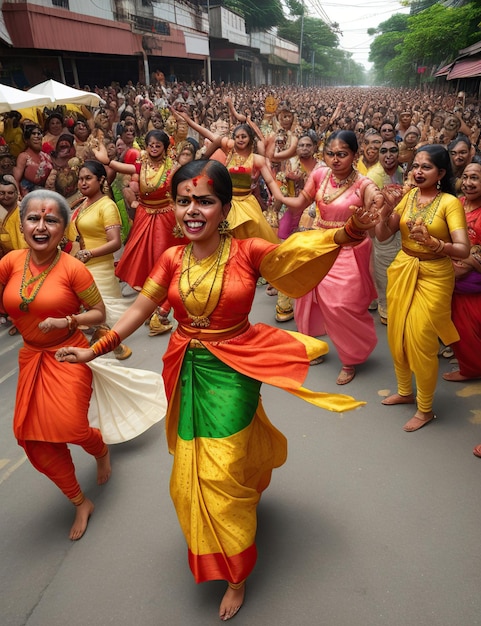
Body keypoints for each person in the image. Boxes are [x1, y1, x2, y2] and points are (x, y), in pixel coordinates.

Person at [55, 159, 379, 621]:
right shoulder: (170, 258)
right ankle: (222, 537)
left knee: (221, 470)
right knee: (186, 480)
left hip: (235, 369)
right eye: (183, 200)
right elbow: (140, 309)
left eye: (204, 201)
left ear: (225, 207)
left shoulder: (248, 251)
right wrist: (95, 350)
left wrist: (346, 234)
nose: (191, 210)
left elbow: (296, 255)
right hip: (185, 367)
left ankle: (237, 572)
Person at [0, 189, 110, 541]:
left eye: (51, 220)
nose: (41, 226)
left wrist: (67, 322)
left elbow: (99, 314)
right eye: (34, 218)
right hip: (31, 356)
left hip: (69, 353)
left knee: (74, 428)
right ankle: (79, 500)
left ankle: (101, 450)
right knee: (31, 437)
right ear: (23, 223)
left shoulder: (74, 269)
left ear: (64, 229)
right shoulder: (10, 263)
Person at [277, 130, 384, 385]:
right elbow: (300, 203)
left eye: (342, 154)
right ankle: (311, 346)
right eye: (331, 154)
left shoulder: (364, 184)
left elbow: (375, 206)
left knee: (341, 304)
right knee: (305, 297)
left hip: (349, 247)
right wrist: (275, 187)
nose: (335, 160)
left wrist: (380, 203)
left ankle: (350, 358)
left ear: (354, 155)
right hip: (319, 242)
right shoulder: (319, 174)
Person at [376, 145, 470, 431]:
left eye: (426, 167)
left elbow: (464, 249)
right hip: (404, 268)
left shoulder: (449, 203)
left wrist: (435, 244)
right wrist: (385, 210)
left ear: (441, 173)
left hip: (435, 275)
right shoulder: (409, 196)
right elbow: (382, 236)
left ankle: (426, 408)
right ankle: (405, 391)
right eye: (415, 166)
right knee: (397, 333)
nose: (417, 172)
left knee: (422, 340)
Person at [94, 129, 187, 335]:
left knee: (167, 263)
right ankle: (155, 309)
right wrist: (105, 159)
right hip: (146, 217)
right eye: (150, 145)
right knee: (146, 263)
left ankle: (161, 310)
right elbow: (116, 165)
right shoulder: (140, 164)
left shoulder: (174, 167)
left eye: (158, 145)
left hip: (167, 218)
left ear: (165, 148)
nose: (153, 148)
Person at [69, 160, 133, 360]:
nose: (83, 183)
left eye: (88, 178)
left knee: (104, 315)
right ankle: (102, 351)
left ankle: (111, 350)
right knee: (96, 316)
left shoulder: (107, 205)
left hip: (100, 268)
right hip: (84, 267)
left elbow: (115, 242)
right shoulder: (84, 204)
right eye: (80, 179)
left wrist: (90, 254)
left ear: (101, 180)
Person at [442, 162, 481, 387]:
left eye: (474, 178)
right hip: (450, 273)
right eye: (465, 177)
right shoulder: (457, 203)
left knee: (468, 327)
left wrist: (465, 261)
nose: (468, 183)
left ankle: (472, 369)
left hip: (471, 282)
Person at [367, 140, 405, 324]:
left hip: (400, 227)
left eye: (393, 151)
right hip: (381, 228)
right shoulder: (373, 176)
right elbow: (369, 207)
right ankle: (385, 306)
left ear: (399, 154)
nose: (388, 155)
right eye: (384, 151)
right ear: (378, 154)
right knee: (382, 270)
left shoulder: (403, 172)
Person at [13, 125, 53, 197]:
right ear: (27, 139)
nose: (36, 136)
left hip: (46, 192)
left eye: (39, 133)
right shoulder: (23, 156)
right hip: (27, 194)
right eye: (33, 134)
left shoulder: (46, 156)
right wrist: (18, 196)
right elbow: (16, 179)